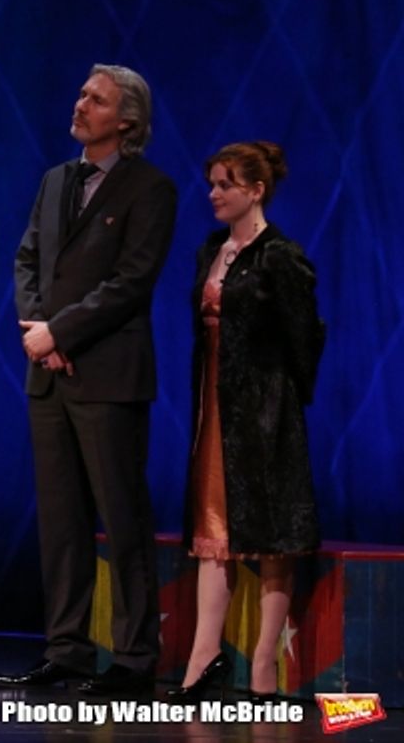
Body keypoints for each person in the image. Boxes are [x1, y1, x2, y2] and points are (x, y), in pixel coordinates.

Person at [0, 65, 177, 695]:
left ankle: (132, 657)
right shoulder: (54, 181)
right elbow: (26, 257)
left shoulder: (150, 188)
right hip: (48, 374)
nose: (80, 104)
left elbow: (131, 281)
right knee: (61, 521)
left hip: (108, 376)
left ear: (125, 120)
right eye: (80, 94)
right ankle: (67, 648)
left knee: (122, 517)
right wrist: (38, 330)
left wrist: (62, 333)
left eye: (94, 100)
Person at [167, 141, 324, 702]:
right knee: (215, 535)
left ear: (255, 191)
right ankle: (202, 662)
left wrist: (280, 402)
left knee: (270, 538)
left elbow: (305, 337)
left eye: (225, 184)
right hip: (215, 408)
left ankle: (262, 666)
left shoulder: (280, 256)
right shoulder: (213, 247)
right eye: (211, 183)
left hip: (265, 414)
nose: (213, 194)